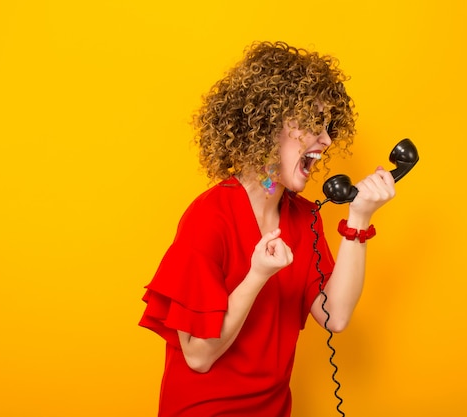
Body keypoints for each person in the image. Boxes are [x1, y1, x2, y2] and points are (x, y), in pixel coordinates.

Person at [139, 41, 395, 417]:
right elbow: (197, 356)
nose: (325, 141)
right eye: (312, 125)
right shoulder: (209, 219)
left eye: (327, 129)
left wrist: (359, 218)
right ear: (266, 126)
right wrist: (258, 274)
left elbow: (335, 316)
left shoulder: (304, 216)